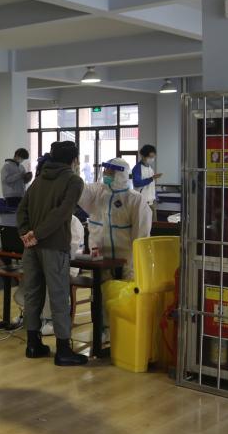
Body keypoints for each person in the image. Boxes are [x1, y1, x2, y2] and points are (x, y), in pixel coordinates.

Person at [16, 140, 86, 366]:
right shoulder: (74, 181)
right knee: (58, 296)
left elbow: (22, 209)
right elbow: (63, 213)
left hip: (30, 248)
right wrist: (38, 234)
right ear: (74, 160)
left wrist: (26, 233)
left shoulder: (39, 179)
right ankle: (63, 350)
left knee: (32, 294)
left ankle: (33, 344)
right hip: (54, 246)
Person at [79, 158, 152, 280]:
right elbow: (80, 191)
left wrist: (137, 260)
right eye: (105, 170)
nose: (105, 173)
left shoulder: (135, 199)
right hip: (100, 260)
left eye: (110, 171)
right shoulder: (97, 192)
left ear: (120, 174)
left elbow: (141, 234)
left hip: (126, 262)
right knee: (100, 289)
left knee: (124, 290)